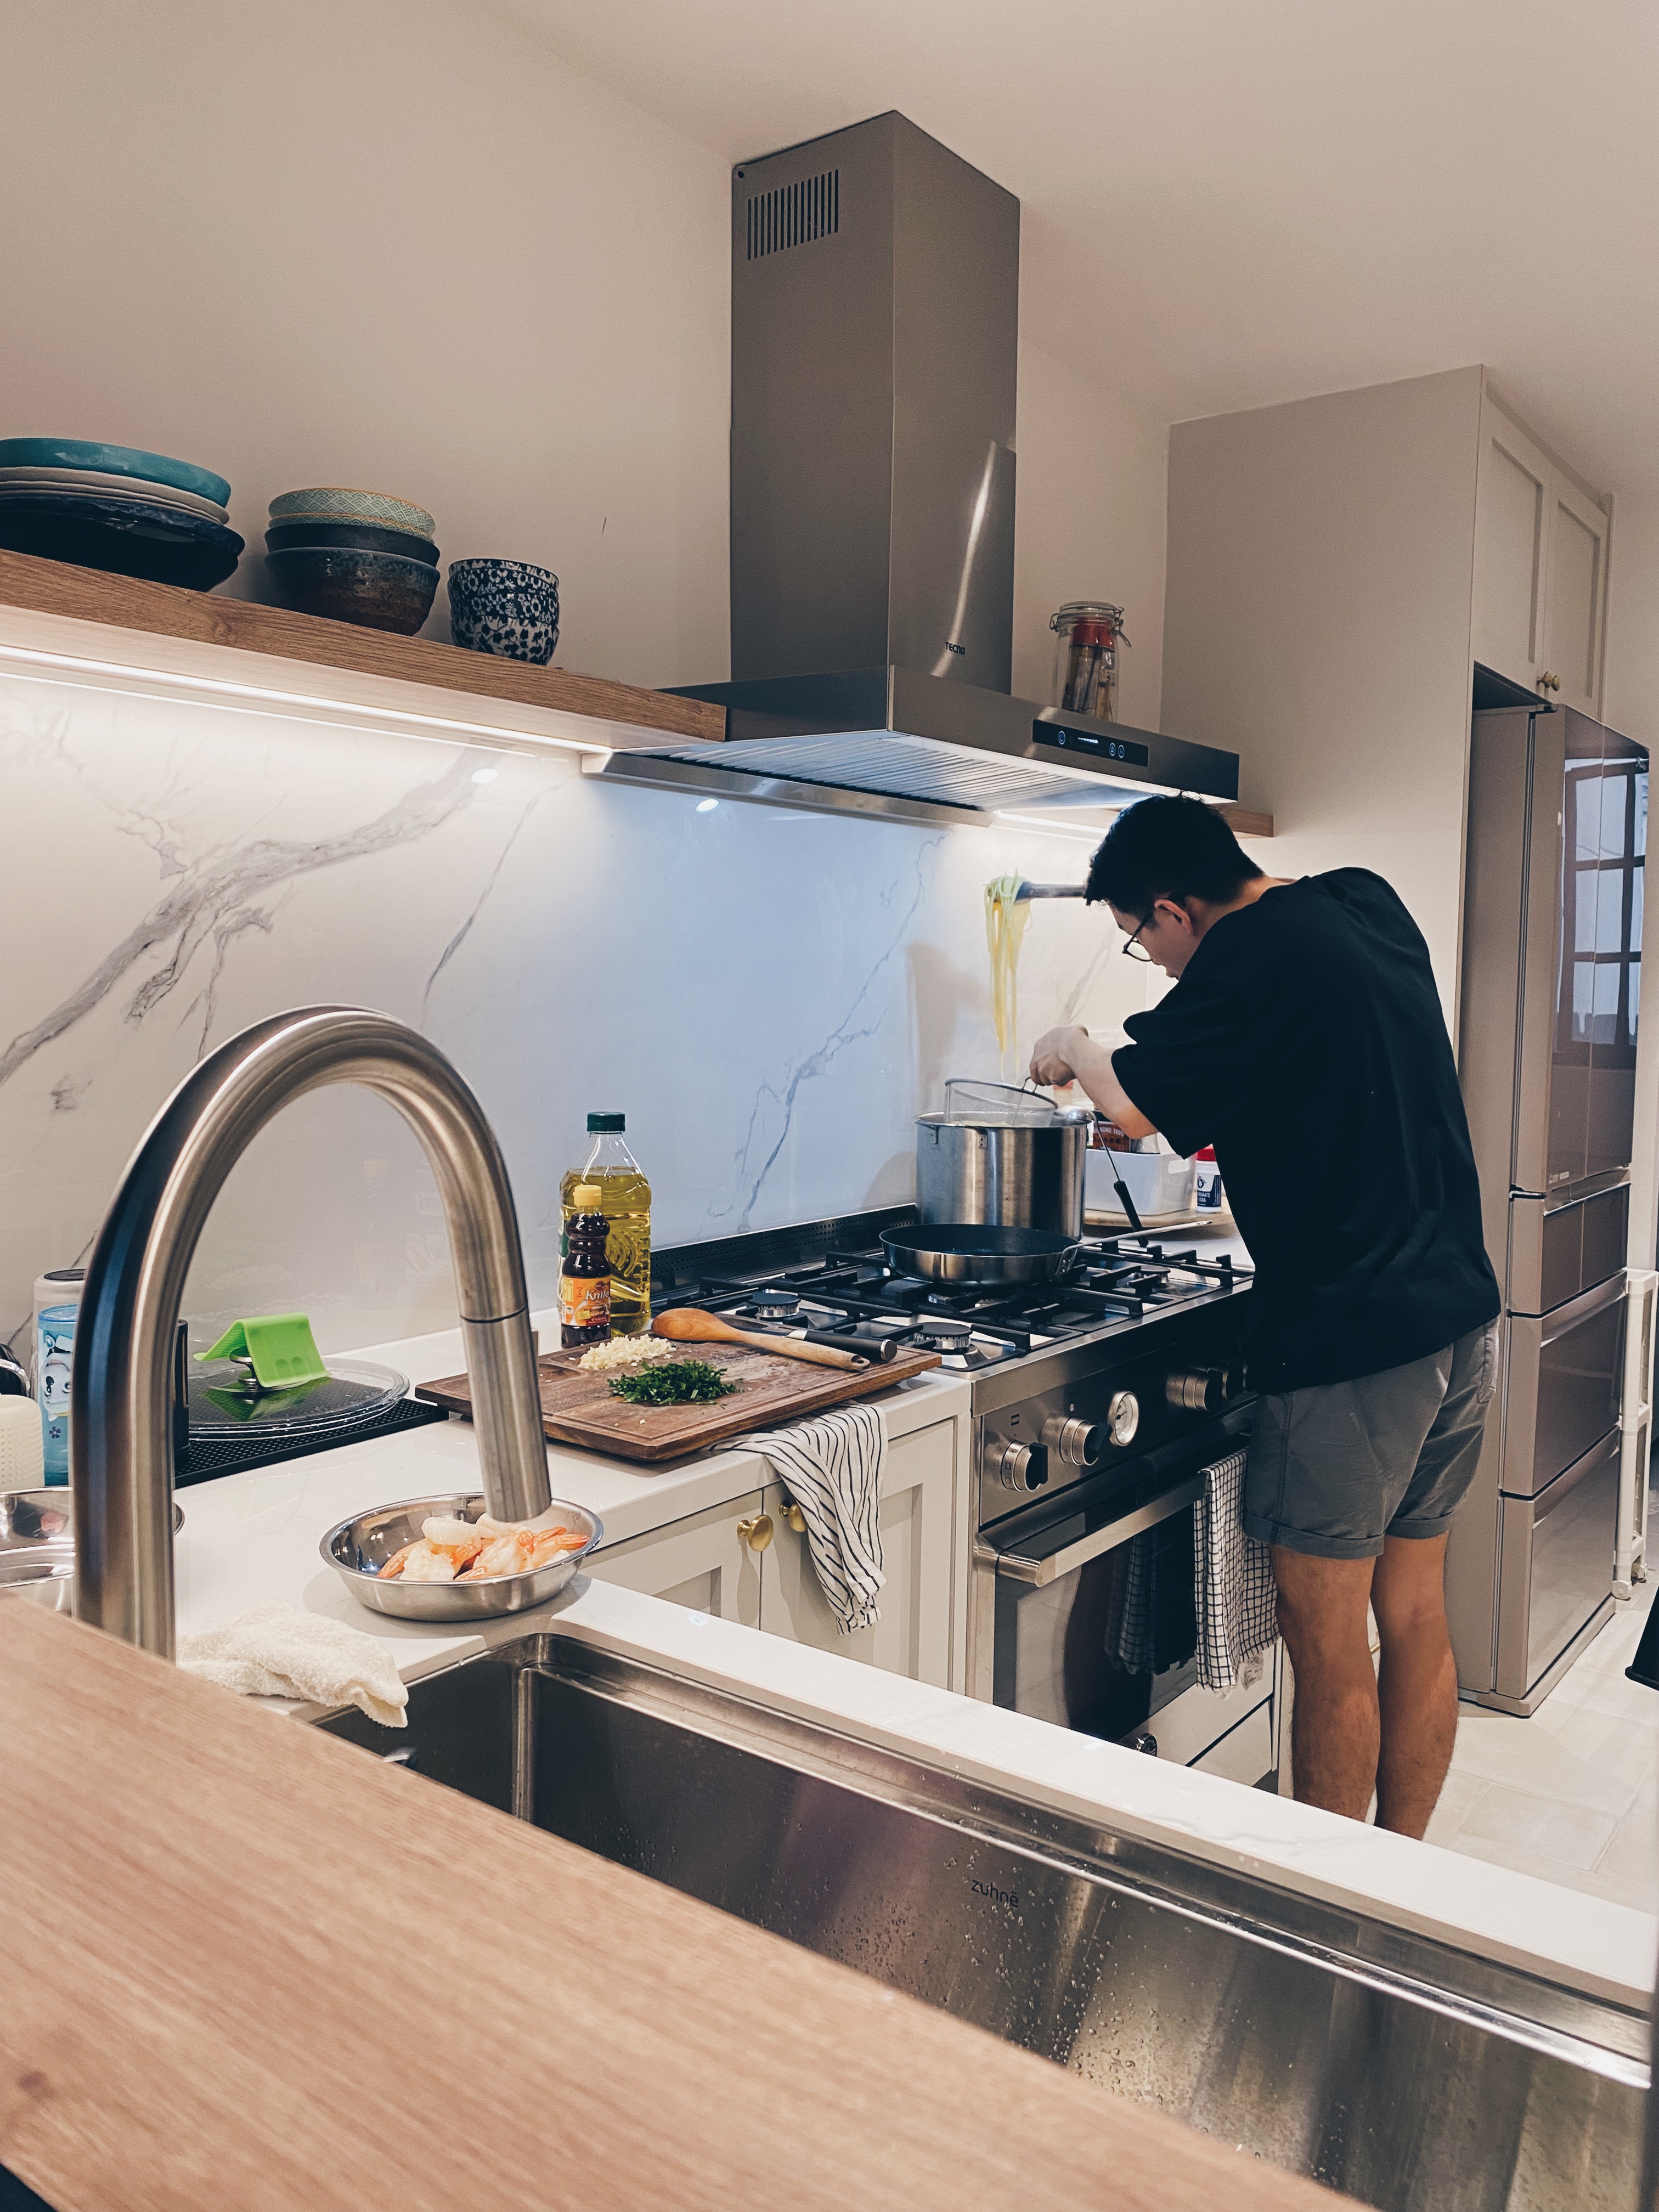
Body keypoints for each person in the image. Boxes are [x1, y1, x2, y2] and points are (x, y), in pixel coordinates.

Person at [1029, 795, 1499, 1837]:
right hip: (1458, 1318)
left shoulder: (1237, 961)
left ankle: (1325, 1919)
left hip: (1353, 1342)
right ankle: (1399, 1872)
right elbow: (1307, 1073)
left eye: (1138, 940)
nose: (1150, 961)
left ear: (1171, 908)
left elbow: (1136, 1104)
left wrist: (1073, 1038)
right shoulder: (1362, 903)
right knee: (1414, 1613)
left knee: (1326, 1643)